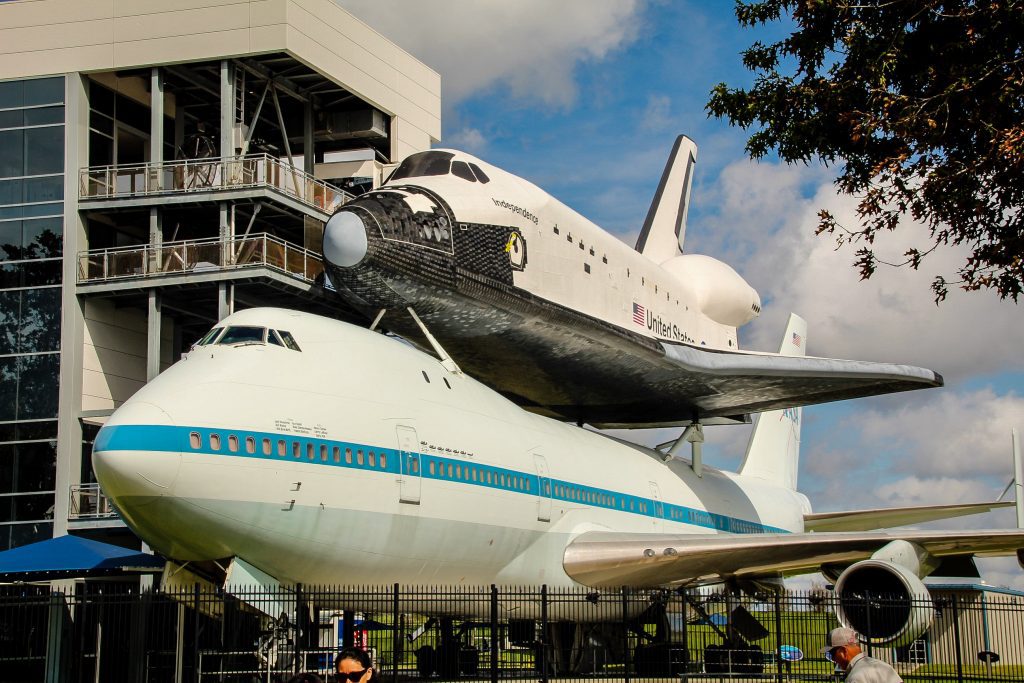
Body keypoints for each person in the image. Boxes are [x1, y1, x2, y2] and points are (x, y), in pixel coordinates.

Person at [821, 627, 903, 682]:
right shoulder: (884, 666)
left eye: (832, 653)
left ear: (843, 651)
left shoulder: (855, 678)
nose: (833, 659)